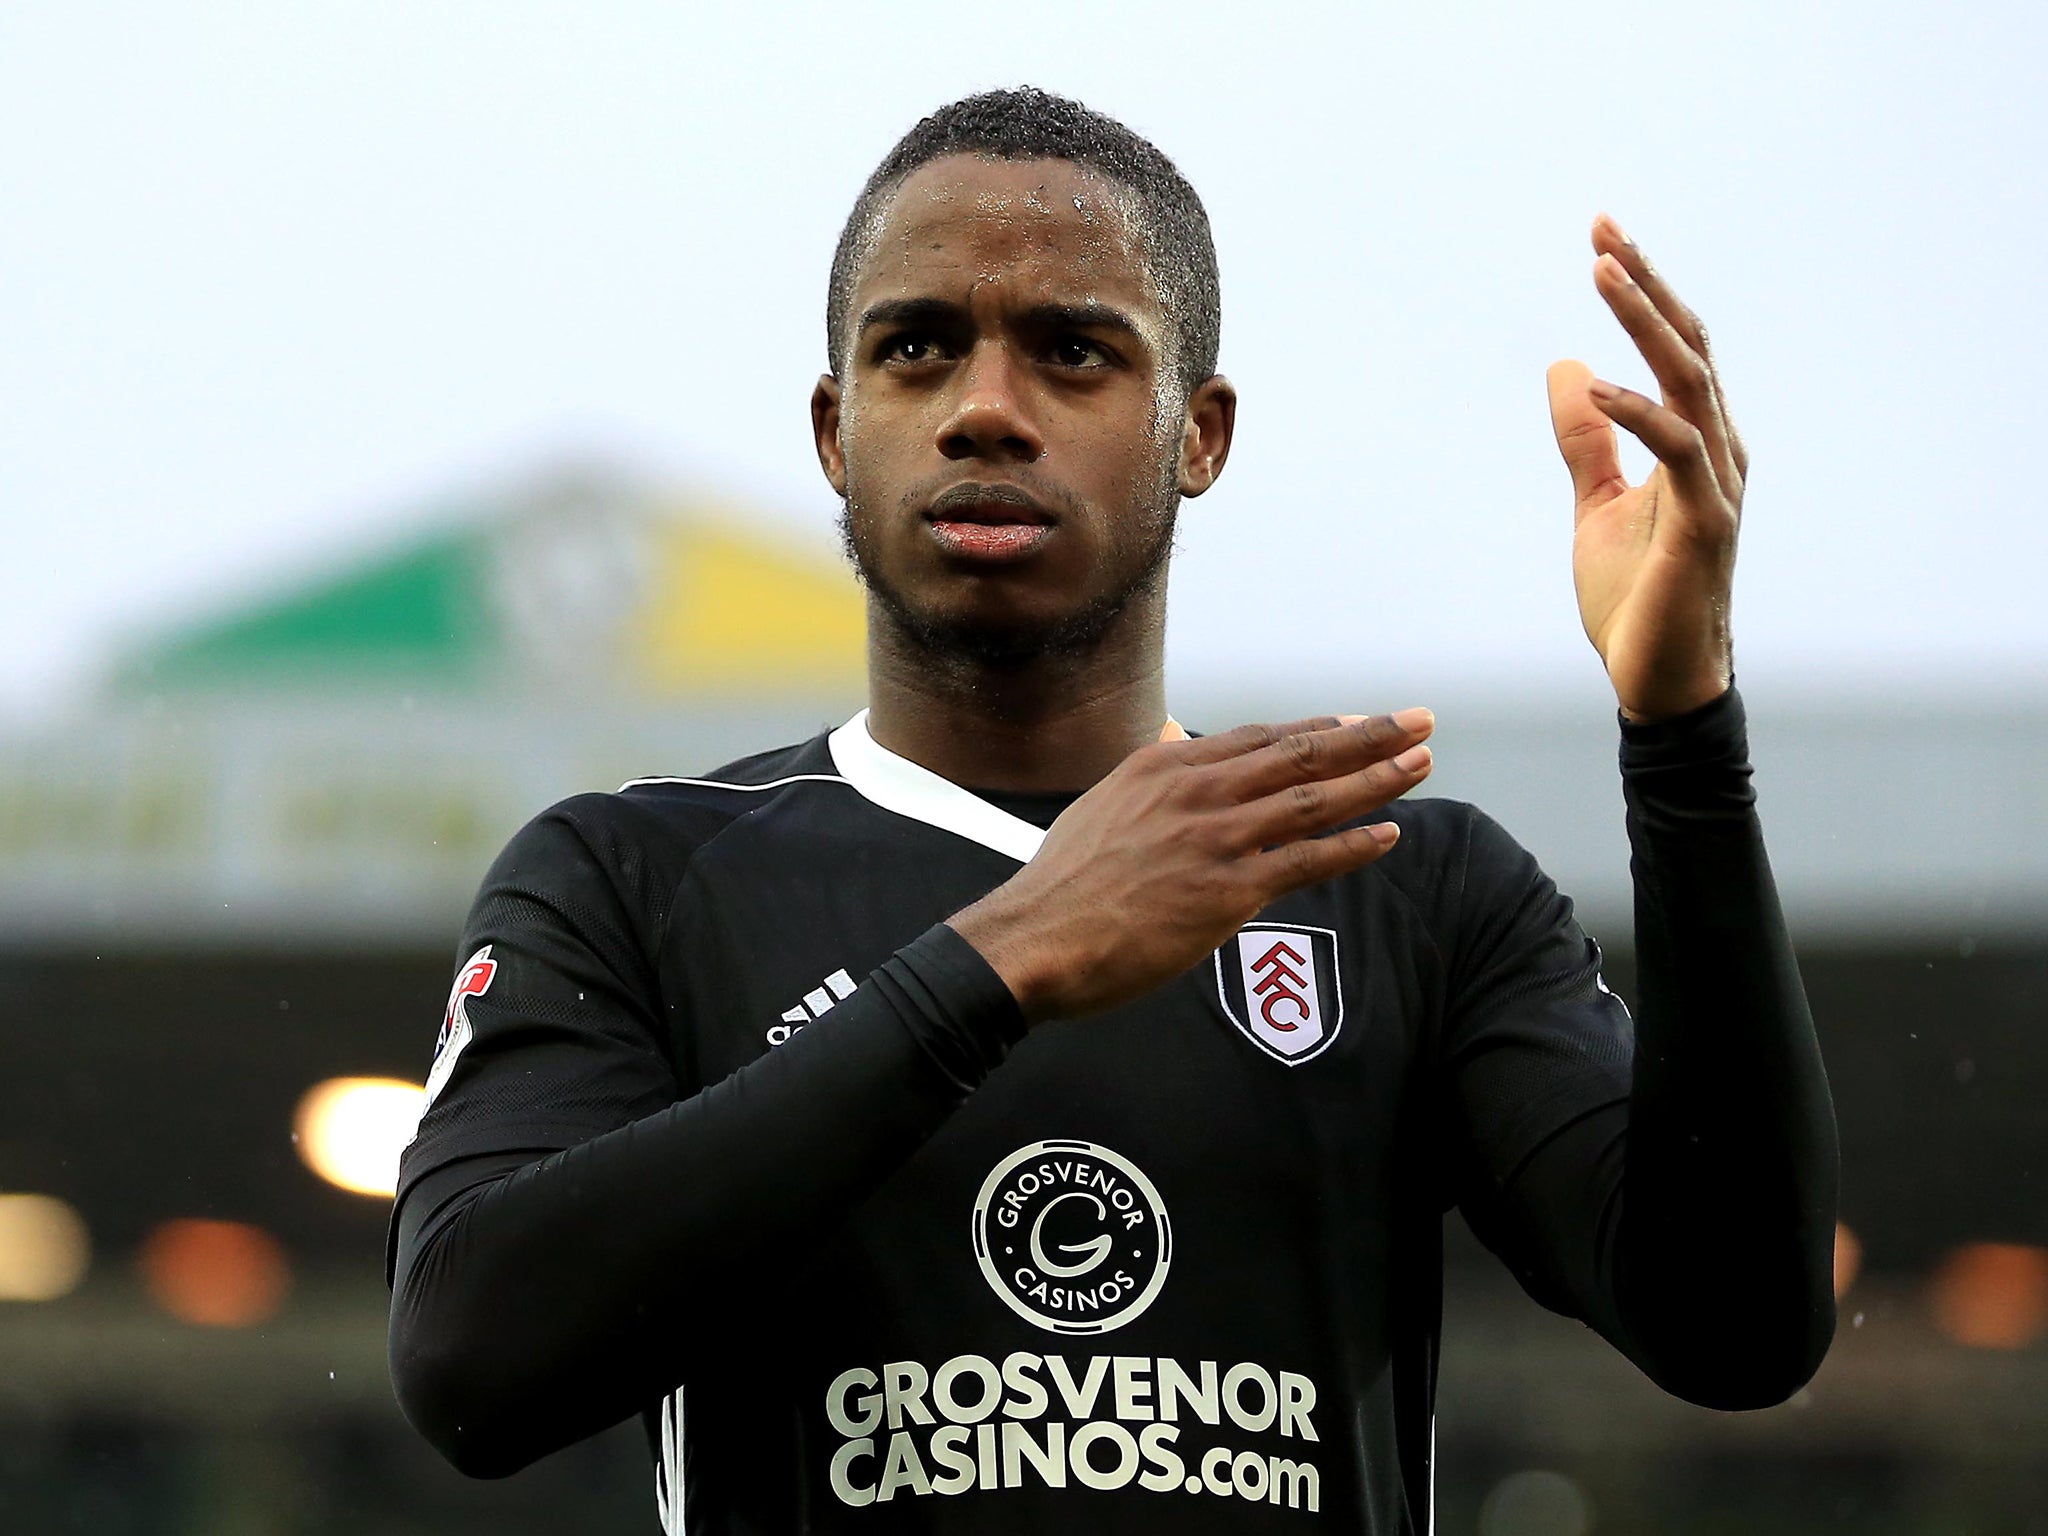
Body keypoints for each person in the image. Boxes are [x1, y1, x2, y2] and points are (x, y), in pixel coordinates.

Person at [387, 87, 1837, 1534]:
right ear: (837, 432)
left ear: (1197, 434)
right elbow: (469, 1361)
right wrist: (992, 967)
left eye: (1074, 353)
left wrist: (1685, 731)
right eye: (917, 349)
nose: (984, 412)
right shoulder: (632, 877)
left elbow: (1738, 1326)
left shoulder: (1403, 885)